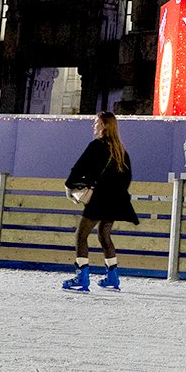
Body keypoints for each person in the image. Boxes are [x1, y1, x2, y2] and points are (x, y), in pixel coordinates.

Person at [61, 111, 139, 292]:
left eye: (96, 122)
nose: (94, 125)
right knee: (104, 235)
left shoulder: (96, 146)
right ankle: (112, 276)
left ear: (104, 125)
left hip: (100, 199)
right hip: (116, 199)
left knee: (81, 235)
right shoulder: (121, 150)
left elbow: (79, 167)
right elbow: (127, 178)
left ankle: (82, 277)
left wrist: (69, 186)